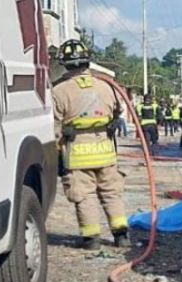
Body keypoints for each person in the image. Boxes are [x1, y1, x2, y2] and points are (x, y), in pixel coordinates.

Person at [51, 39, 129, 250]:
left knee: (84, 196)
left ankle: (92, 238)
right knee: (111, 193)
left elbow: (55, 127)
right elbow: (117, 113)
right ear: (87, 61)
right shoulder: (106, 86)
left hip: (77, 153)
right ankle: (121, 236)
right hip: (105, 150)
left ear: (65, 63)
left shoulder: (58, 91)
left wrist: (56, 152)